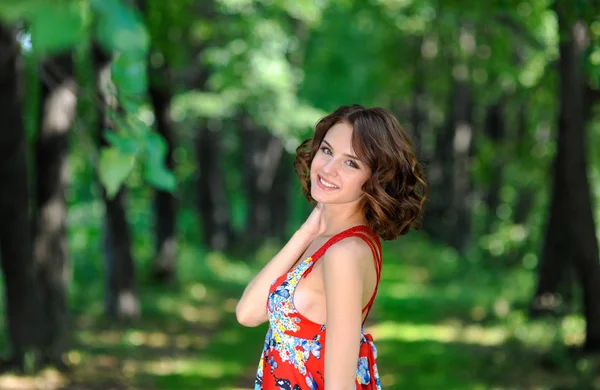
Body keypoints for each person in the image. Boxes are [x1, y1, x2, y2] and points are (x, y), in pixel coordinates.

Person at [236, 104, 427, 390]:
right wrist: (307, 231)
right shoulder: (323, 240)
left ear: (375, 178)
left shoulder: (345, 253)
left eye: (350, 163)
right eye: (326, 150)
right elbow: (248, 313)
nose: (327, 169)